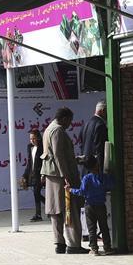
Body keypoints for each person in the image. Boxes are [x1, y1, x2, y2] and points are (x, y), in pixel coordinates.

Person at [40, 107, 84, 254]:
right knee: (69, 209)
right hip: (61, 177)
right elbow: (59, 156)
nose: (70, 124)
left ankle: (59, 243)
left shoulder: (49, 129)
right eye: (70, 121)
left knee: (55, 210)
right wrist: (66, 176)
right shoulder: (58, 130)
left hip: (52, 175)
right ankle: (74, 245)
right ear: (64, 118)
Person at [71, 155, 114, 256]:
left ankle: (94, 249)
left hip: (89, 206)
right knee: (104, 227)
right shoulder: (103, 177)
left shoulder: (86, 178)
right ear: (97, 164)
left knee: (92, 229)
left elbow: (82, 192)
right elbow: (111, 185)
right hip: (101, 205)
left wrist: (70, 189)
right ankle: (107, 247)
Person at [21, 129, 45, 221]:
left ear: (38, 138)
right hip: (32, 174)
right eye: (31, 139)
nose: (32, 140)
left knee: (36, 193)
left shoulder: (43, 147)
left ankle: (39, 214)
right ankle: (41, 212)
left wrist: (44, 174)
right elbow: (30, 163)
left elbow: (44, 162)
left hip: (41, 174)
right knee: (36, 193)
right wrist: (25, 175)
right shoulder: (29, 147)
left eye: (34, 138)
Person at [81, 101, 108, 177]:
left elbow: (81, 145)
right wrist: (100, 170)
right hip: (95, 170)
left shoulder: (86, 124)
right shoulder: (100, 125)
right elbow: (100, 149)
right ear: (102, 111)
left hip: (86, 168)